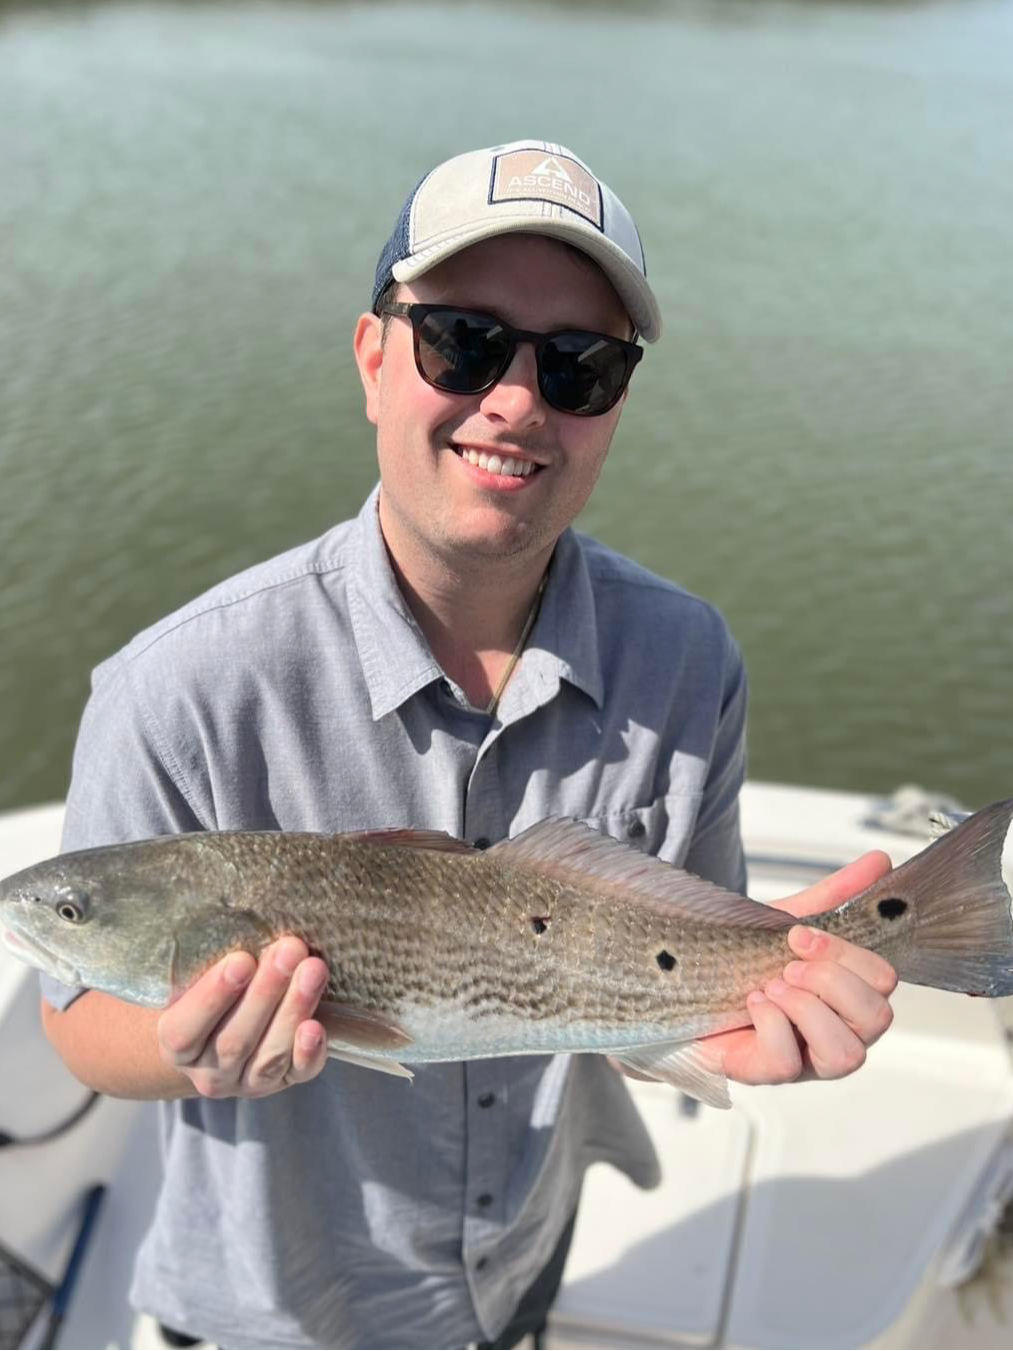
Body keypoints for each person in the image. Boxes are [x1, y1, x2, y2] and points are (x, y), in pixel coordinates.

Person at [39, 140, 897, 1351]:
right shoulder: (176, 688)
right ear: (372, 356)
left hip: (520, 1271)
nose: (514, 400)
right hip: (273, 1312)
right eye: (462, 341)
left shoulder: (690, 657)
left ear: (614, 406)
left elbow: (677, 949)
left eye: (579, 365)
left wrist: (761, 996)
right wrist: (193, 1050)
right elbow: (75, 1014)